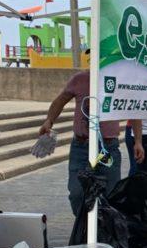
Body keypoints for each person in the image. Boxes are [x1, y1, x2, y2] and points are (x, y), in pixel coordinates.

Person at [39, 61, 124, 215]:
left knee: (112, 194)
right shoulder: (80, 79)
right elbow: (60, 100)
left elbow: (135, 109)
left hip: (107, 148)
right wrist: (49, 120)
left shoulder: (118, 79)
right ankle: (83, 224)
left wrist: (138, 140)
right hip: (81, 147)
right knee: (77, 194)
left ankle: (104, 226)